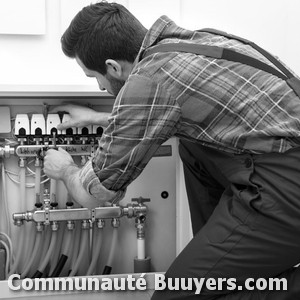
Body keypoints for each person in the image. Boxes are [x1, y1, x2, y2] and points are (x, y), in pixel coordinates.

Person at [43, 1, 300, 299]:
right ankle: (224, 259)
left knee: (174, 296)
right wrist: (101, 119)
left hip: (285, 190)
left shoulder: (147, 82)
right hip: (282, 165)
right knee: (190, 145)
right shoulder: (191, 43)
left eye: (95, 77)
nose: (100, 87)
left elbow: (96, 193)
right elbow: (168, 113)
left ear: (112, 66)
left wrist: (64, 169)